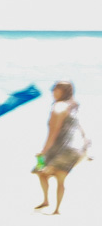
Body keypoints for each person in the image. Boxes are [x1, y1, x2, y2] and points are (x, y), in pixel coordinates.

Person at [35, 81, 85, 214]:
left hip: (59, 149)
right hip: (75, 150)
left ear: (63, 91)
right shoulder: (74, 107)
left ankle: (47, 201)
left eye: (56, 89)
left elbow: (53, 131)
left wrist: (43, 151)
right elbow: (81, 129)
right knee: (60, 178)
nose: (53, 92)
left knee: (40, 171)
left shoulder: (58, 106)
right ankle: (56, 208)